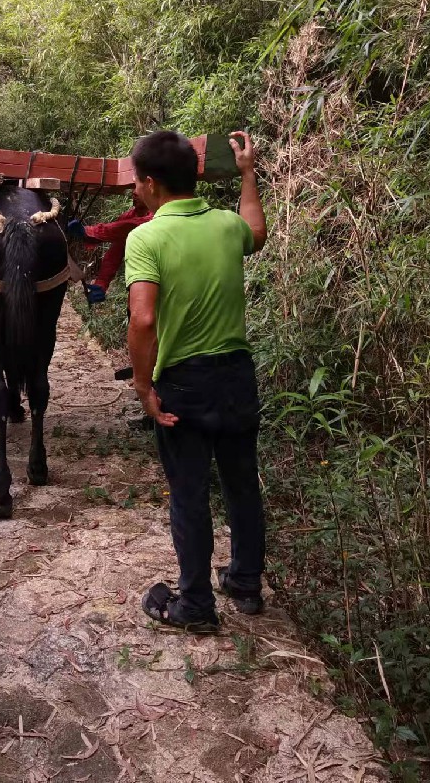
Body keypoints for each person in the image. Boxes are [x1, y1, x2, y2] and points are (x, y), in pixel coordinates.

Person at [125, 129, 267, 633]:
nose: (135, 191)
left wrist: (143, 387)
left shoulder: (145, 237)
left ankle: (196, 605)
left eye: (137, 183)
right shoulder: (226, 225)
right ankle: (246, 584)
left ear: (150, 184)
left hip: (183, 382)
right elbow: (256, 231)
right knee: (241, 484)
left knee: (189, 493)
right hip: (236, 374)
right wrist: (248, 172)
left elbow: (143, 321)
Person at [67, 195, 152, 302]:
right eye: (133, 188)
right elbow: (114, 254)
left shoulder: (158, 216)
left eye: (139, 184)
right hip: (140, 286)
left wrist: (89, 232)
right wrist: (102, 282)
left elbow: (129, 226)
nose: (134, 192)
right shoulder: (129, 216)